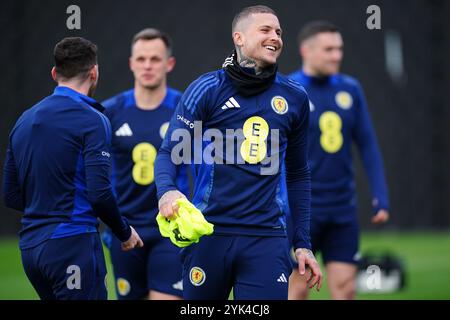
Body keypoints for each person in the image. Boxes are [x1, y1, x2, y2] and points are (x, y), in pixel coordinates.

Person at [154, 5, 322, 300]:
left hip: (266, 237)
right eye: (266, 30)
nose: (276, 37)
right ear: (239, 38)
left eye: (279, 32)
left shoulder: (294, 97)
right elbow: (170, 152)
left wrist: (303, 242)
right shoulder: (206, 89)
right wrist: (167, 191)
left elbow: (298, 174)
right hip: (209, 234)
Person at [2, 37, 143, 300]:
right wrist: (124, 231)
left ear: (55, 73)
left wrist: (48, 210)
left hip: (31, 251)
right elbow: (99, 194)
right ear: (94, 72)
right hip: (72, 246)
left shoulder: (24, 119)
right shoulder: (93, 120)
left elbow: (10, 194)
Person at [288, 21, 390, 300]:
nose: (337, 55)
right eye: (329, 49)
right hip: (301, 211)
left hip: (342, 207)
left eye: (339, 49)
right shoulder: (288, 90)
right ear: (306, 51)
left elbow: (367, 144)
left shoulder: (350, 89)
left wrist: (380, 194)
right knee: (296, 290)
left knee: (346, 290)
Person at [101, 28, 189, 300]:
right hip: (126, 229)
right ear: (131, 63)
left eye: (155, 59)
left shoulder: (186, 108)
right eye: (141, 59)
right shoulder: (109, 112)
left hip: (171, 228)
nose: (147, 65)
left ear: (169, 64)